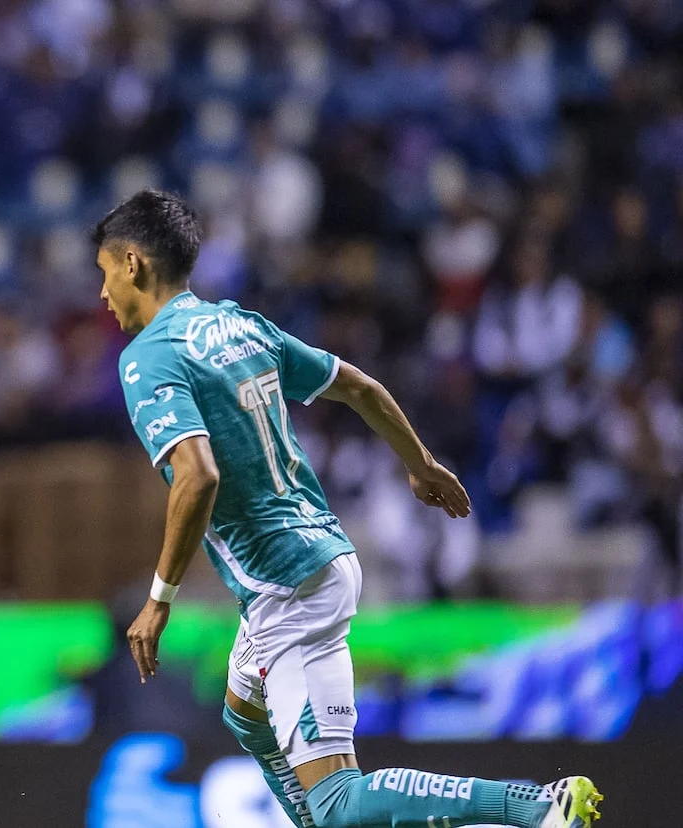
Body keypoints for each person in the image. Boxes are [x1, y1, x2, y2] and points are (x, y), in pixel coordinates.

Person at [93, 190, 602, 828]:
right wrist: (419, 463)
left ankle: (536, 807)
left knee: (339, 803)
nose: (104, 294)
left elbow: (196, 477)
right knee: (243, 709)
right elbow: (358, 387)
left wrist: (159, 598)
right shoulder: (240, 324)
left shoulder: (148, 358)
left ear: (134, 263)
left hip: (289, 586)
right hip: (314, 551)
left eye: (105, 272)